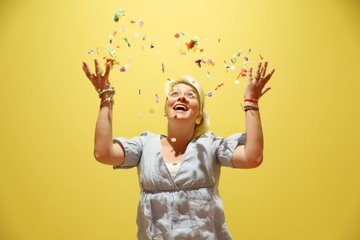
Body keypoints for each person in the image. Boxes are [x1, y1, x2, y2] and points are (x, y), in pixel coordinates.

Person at [82, 59, 275, 240]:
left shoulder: (211, 145)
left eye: (190, 95)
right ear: (165, 109)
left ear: (199, 114)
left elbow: (252, 157)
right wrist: (105, 97)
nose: (181, 96)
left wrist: (251, 101)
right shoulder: (144, 145)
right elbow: (103, 153)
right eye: (174, 94)